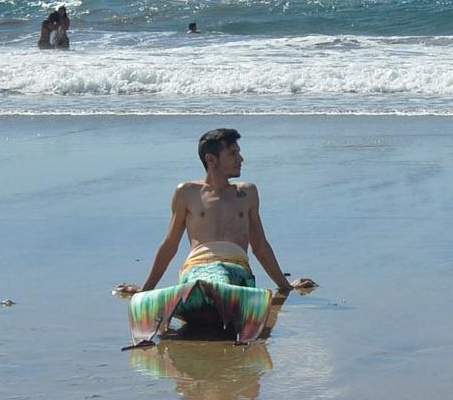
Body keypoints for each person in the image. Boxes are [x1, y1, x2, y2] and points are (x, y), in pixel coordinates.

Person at [114, 127, 315, 345]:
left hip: (236, 267)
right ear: (211, 159)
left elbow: (260, 246)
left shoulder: (247, 193)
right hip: (197, 266)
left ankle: (210, 292)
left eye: (239, 153)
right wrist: (145, 290)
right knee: (204, 276)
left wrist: (285, 286)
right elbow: (170, 244)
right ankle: (202, 291)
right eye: (233, 154)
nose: (241, 159)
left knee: (220, 274)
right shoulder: (186, 192)